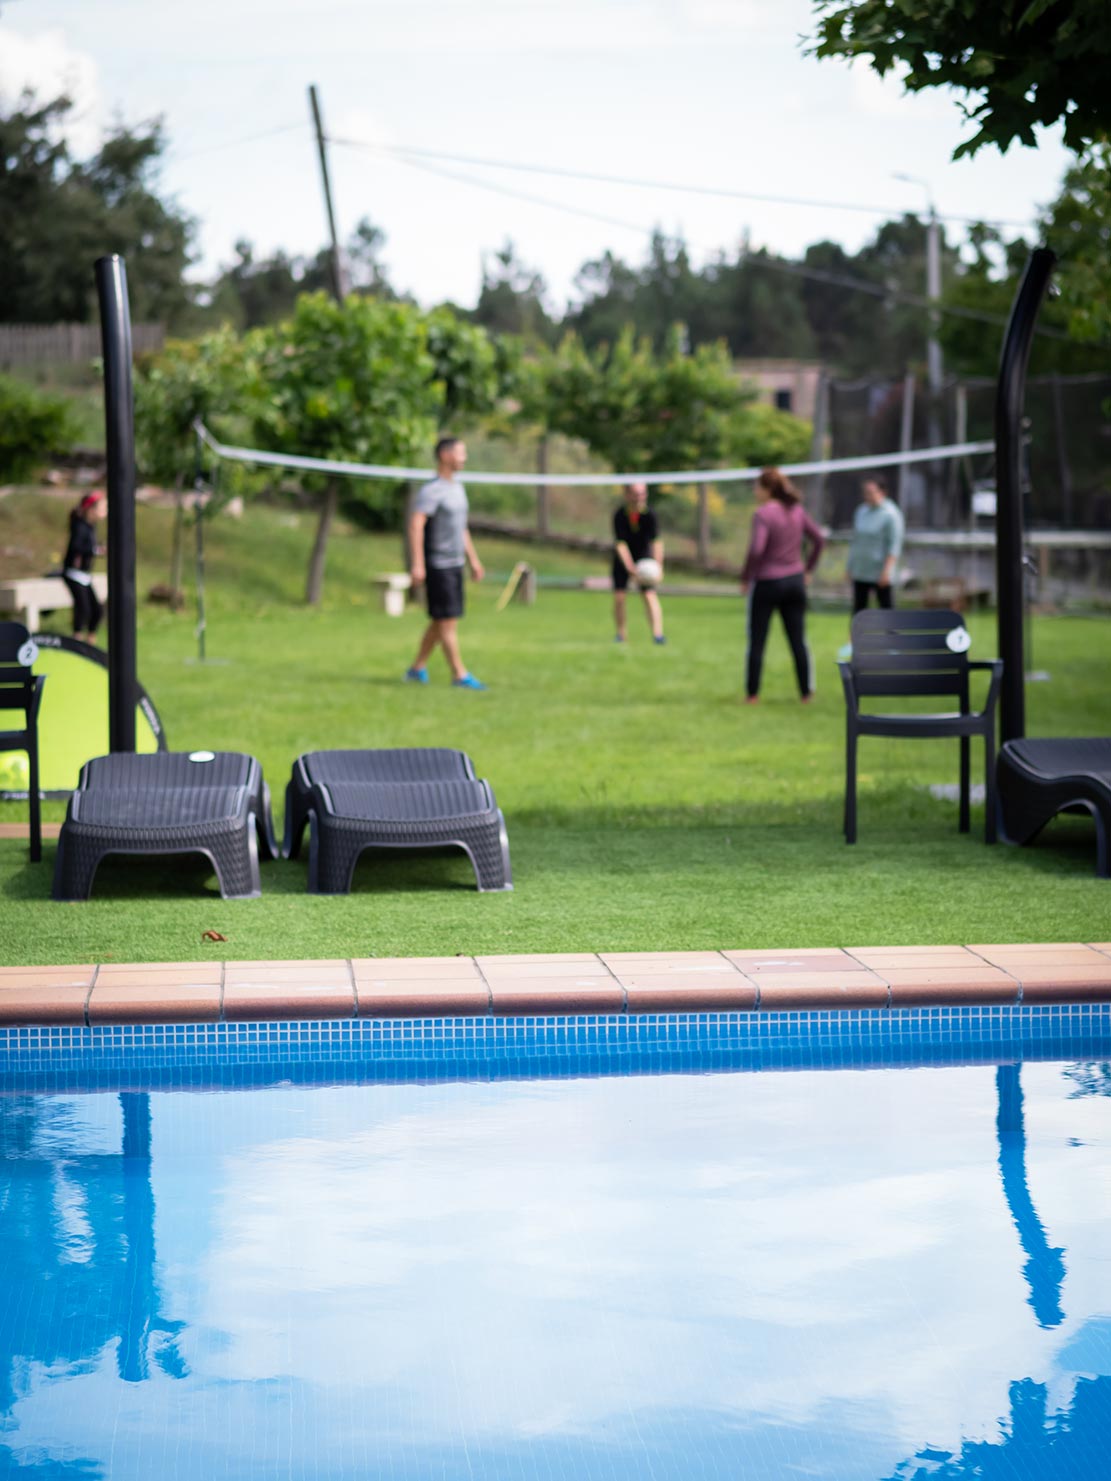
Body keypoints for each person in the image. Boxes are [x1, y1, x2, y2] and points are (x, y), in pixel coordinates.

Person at [405, 436, 487, 689]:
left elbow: (461, 527)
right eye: (461, 453)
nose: (464, 458)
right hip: (437, 564)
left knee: (442, 619)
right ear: (445, 455)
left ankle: (417, 668)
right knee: (446, 620)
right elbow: (416, 525)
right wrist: (417, 563)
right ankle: (459, 674)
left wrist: (473, 560)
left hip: (455, 563)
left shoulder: (457, 487)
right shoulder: (432, 490)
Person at [739, 467, 824, 703]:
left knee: (757, 640)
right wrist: (808, 569)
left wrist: (747, 576)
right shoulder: (796, 510)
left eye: (757, 486)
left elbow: (757, 549)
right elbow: (818, 539)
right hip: (795, 581)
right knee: (798, 639)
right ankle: (806, 693)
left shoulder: (763, 514)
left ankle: (752, 695)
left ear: (767, 489)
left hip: (768, 582)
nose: (755, 490)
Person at [612, 481, 665, 645]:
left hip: (644, 558)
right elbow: (620, 544)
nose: (639, 497)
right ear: (627, 495)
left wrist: (658, 566)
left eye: (642, 493)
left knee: (649, 595)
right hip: (624, 559)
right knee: (619, 597)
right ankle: (621, 635)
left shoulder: (650, 515)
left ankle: (658, 635)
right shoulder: (620, 515)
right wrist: (629, 567)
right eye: (636, 494)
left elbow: (657, 542)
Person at [847, 475, 904, 612]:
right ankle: (856, 634)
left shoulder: (891, 514)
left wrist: (887, 571)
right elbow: (856, 541)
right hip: (862, 570)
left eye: (871, 493)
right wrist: (850, 566)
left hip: (881, 571)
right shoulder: (861, 511)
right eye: (865, 493)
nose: (867, 496)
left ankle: (891, 635)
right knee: (859, 611)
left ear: (882, 492)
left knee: (886, 612)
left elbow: (894, 544)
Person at [63, 489, 105, 643]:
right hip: (74, 574)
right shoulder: (80, 526)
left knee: (97, 611)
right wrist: (96, 550)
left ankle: (89, 642)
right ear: (91, 509)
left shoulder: (90, 526)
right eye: (101, 507)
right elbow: (76, 546)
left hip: (84, 575)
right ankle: (77, 641)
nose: (104, 511)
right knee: (83, 609)